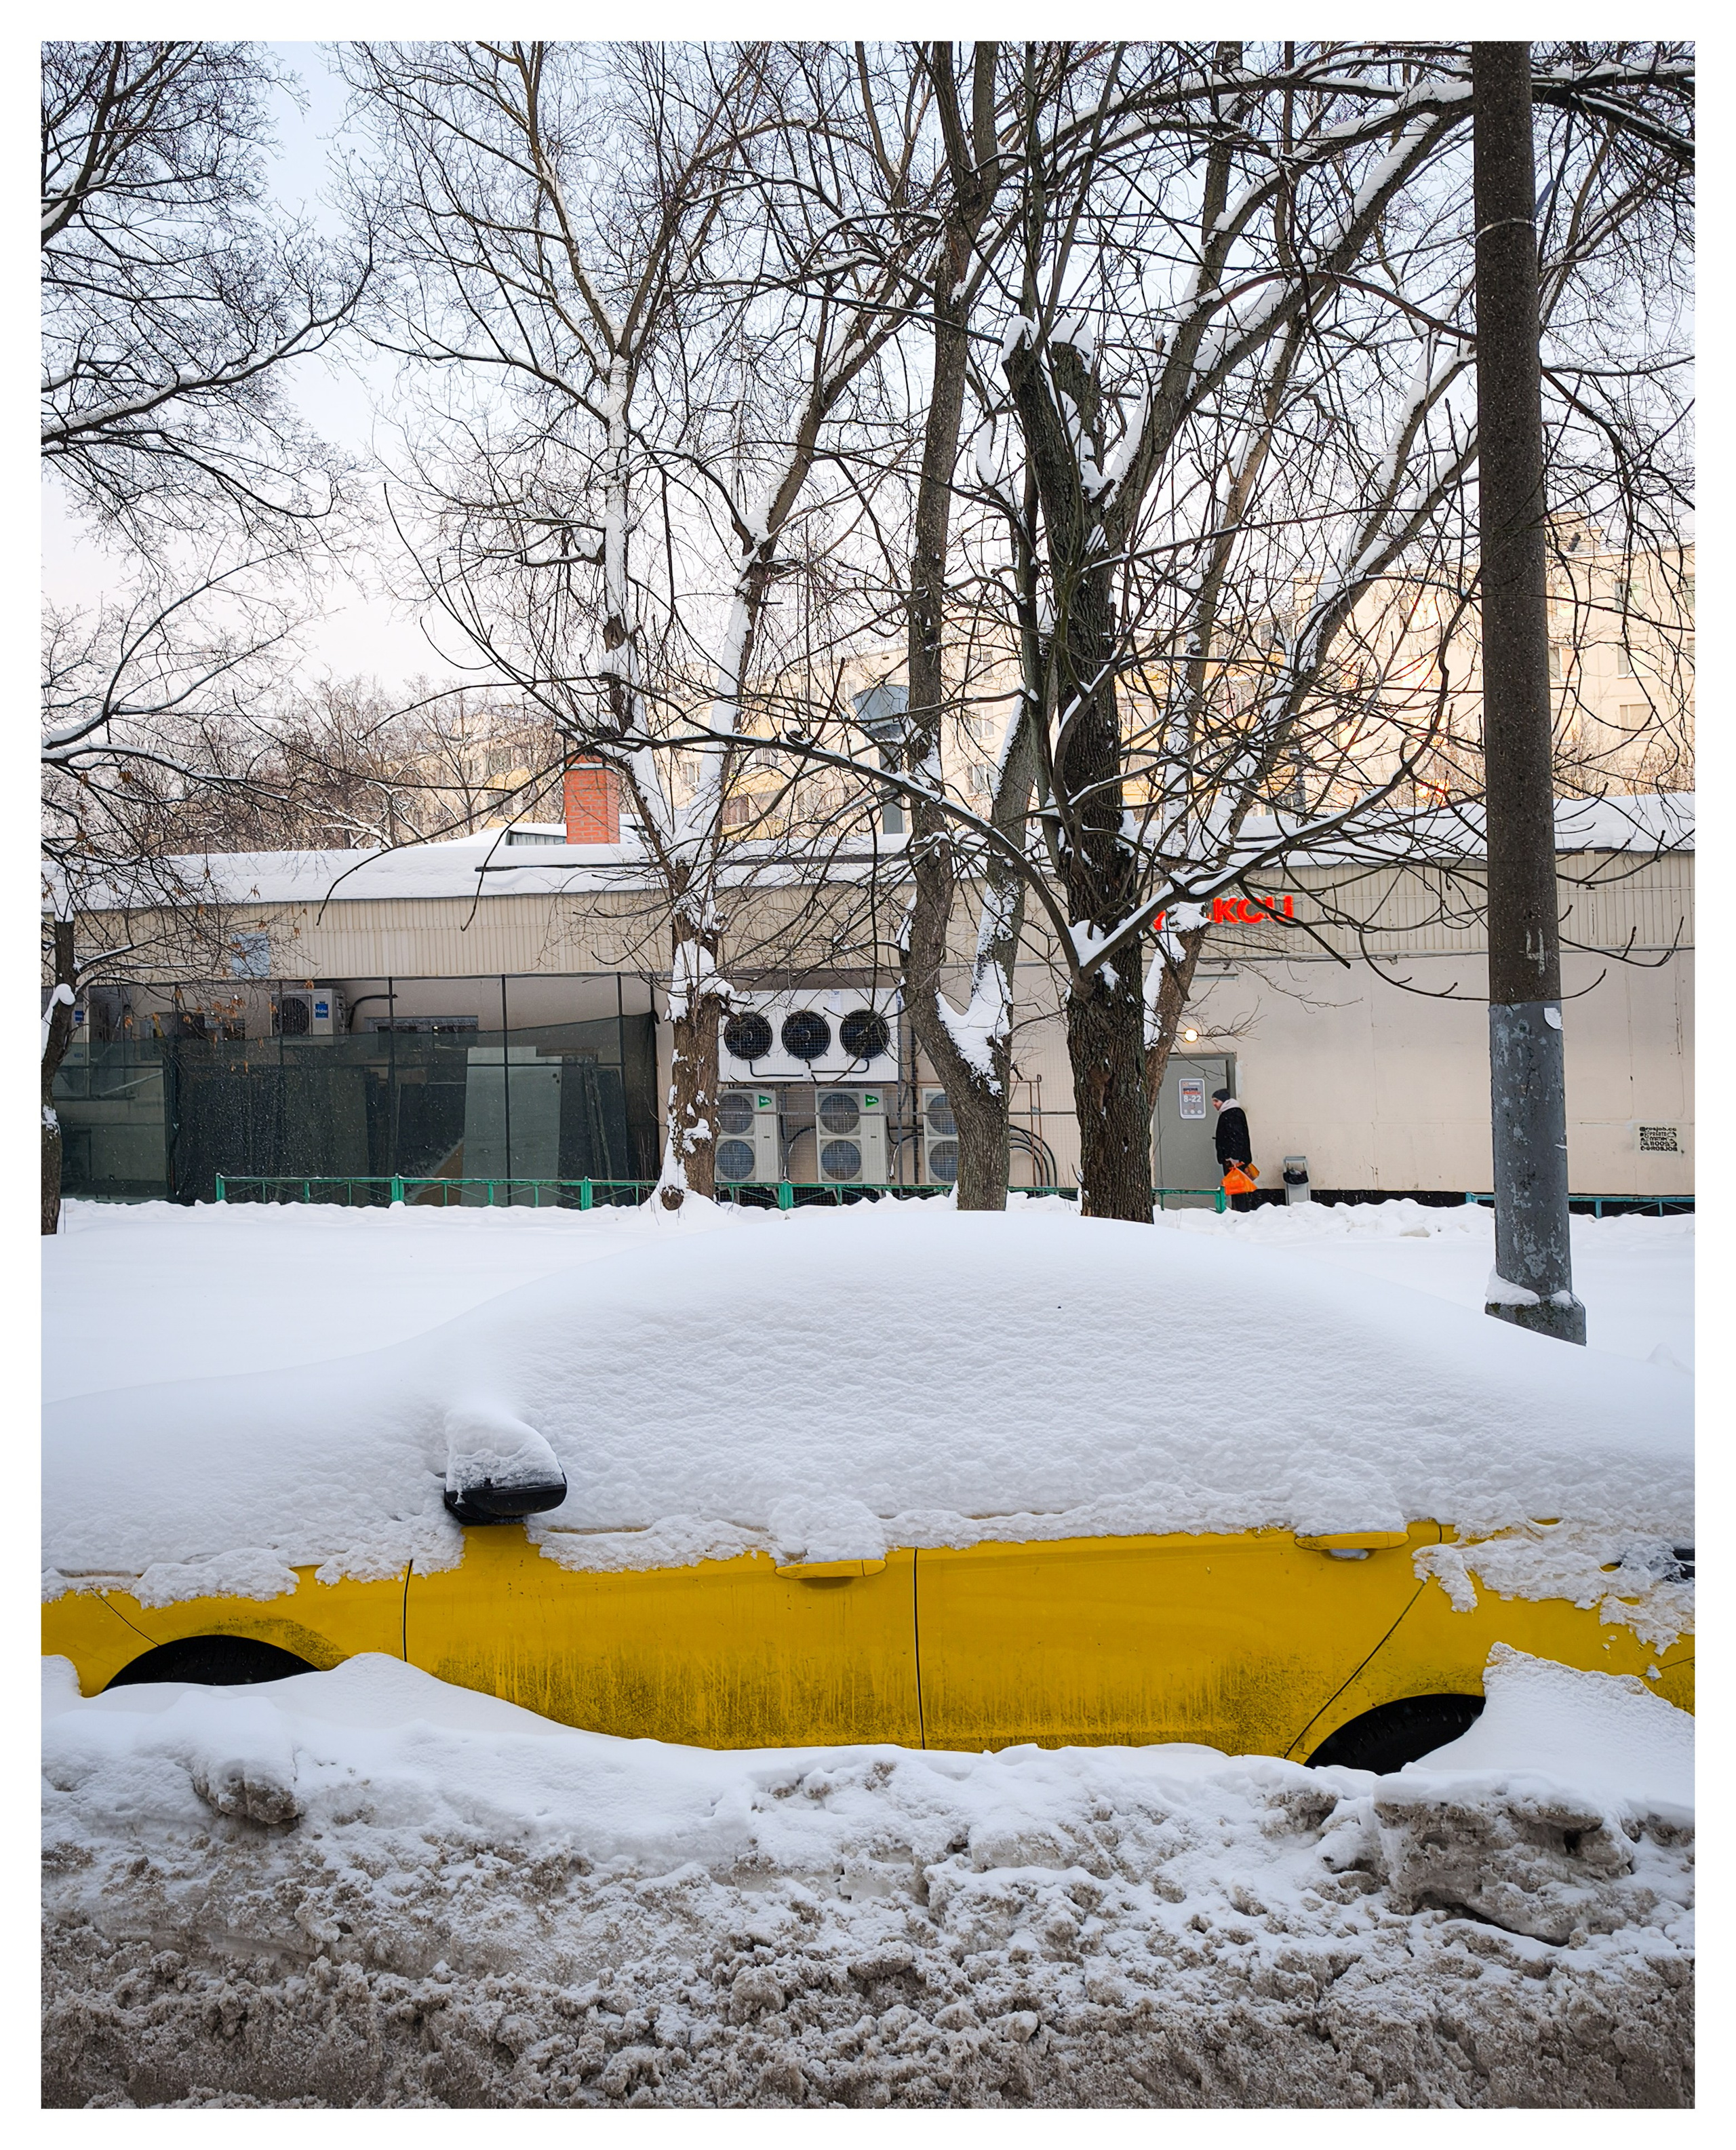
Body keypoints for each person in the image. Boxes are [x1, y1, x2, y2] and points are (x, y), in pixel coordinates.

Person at [1211, 1087, 1258, 1211]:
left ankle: (1242, 1213)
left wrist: (1234, 1157)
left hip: (1235, 1160)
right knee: (1239, 1188)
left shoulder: (1231, 1114)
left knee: (1238, 1189)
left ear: (1224, 1101)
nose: (1214, 1104)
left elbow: (1237, 1137)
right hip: (1236, 1159)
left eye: (1216, 1101)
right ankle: (1241, 1211)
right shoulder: (1233, 1112)